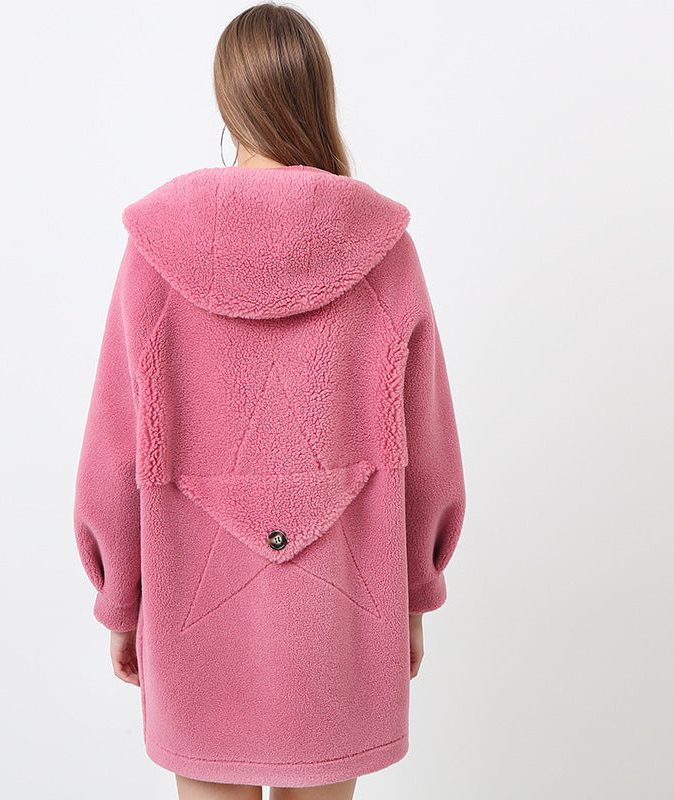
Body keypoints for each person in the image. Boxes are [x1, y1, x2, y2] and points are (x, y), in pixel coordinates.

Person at [73, 4, 466, 800]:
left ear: (229, 100)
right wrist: (415, 596)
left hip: (194, 627)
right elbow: (428, 450)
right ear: (316, 94)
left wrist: (120, 601)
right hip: (339, 630)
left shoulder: (155, 252)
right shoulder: (383, 250)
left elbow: (115, 445)